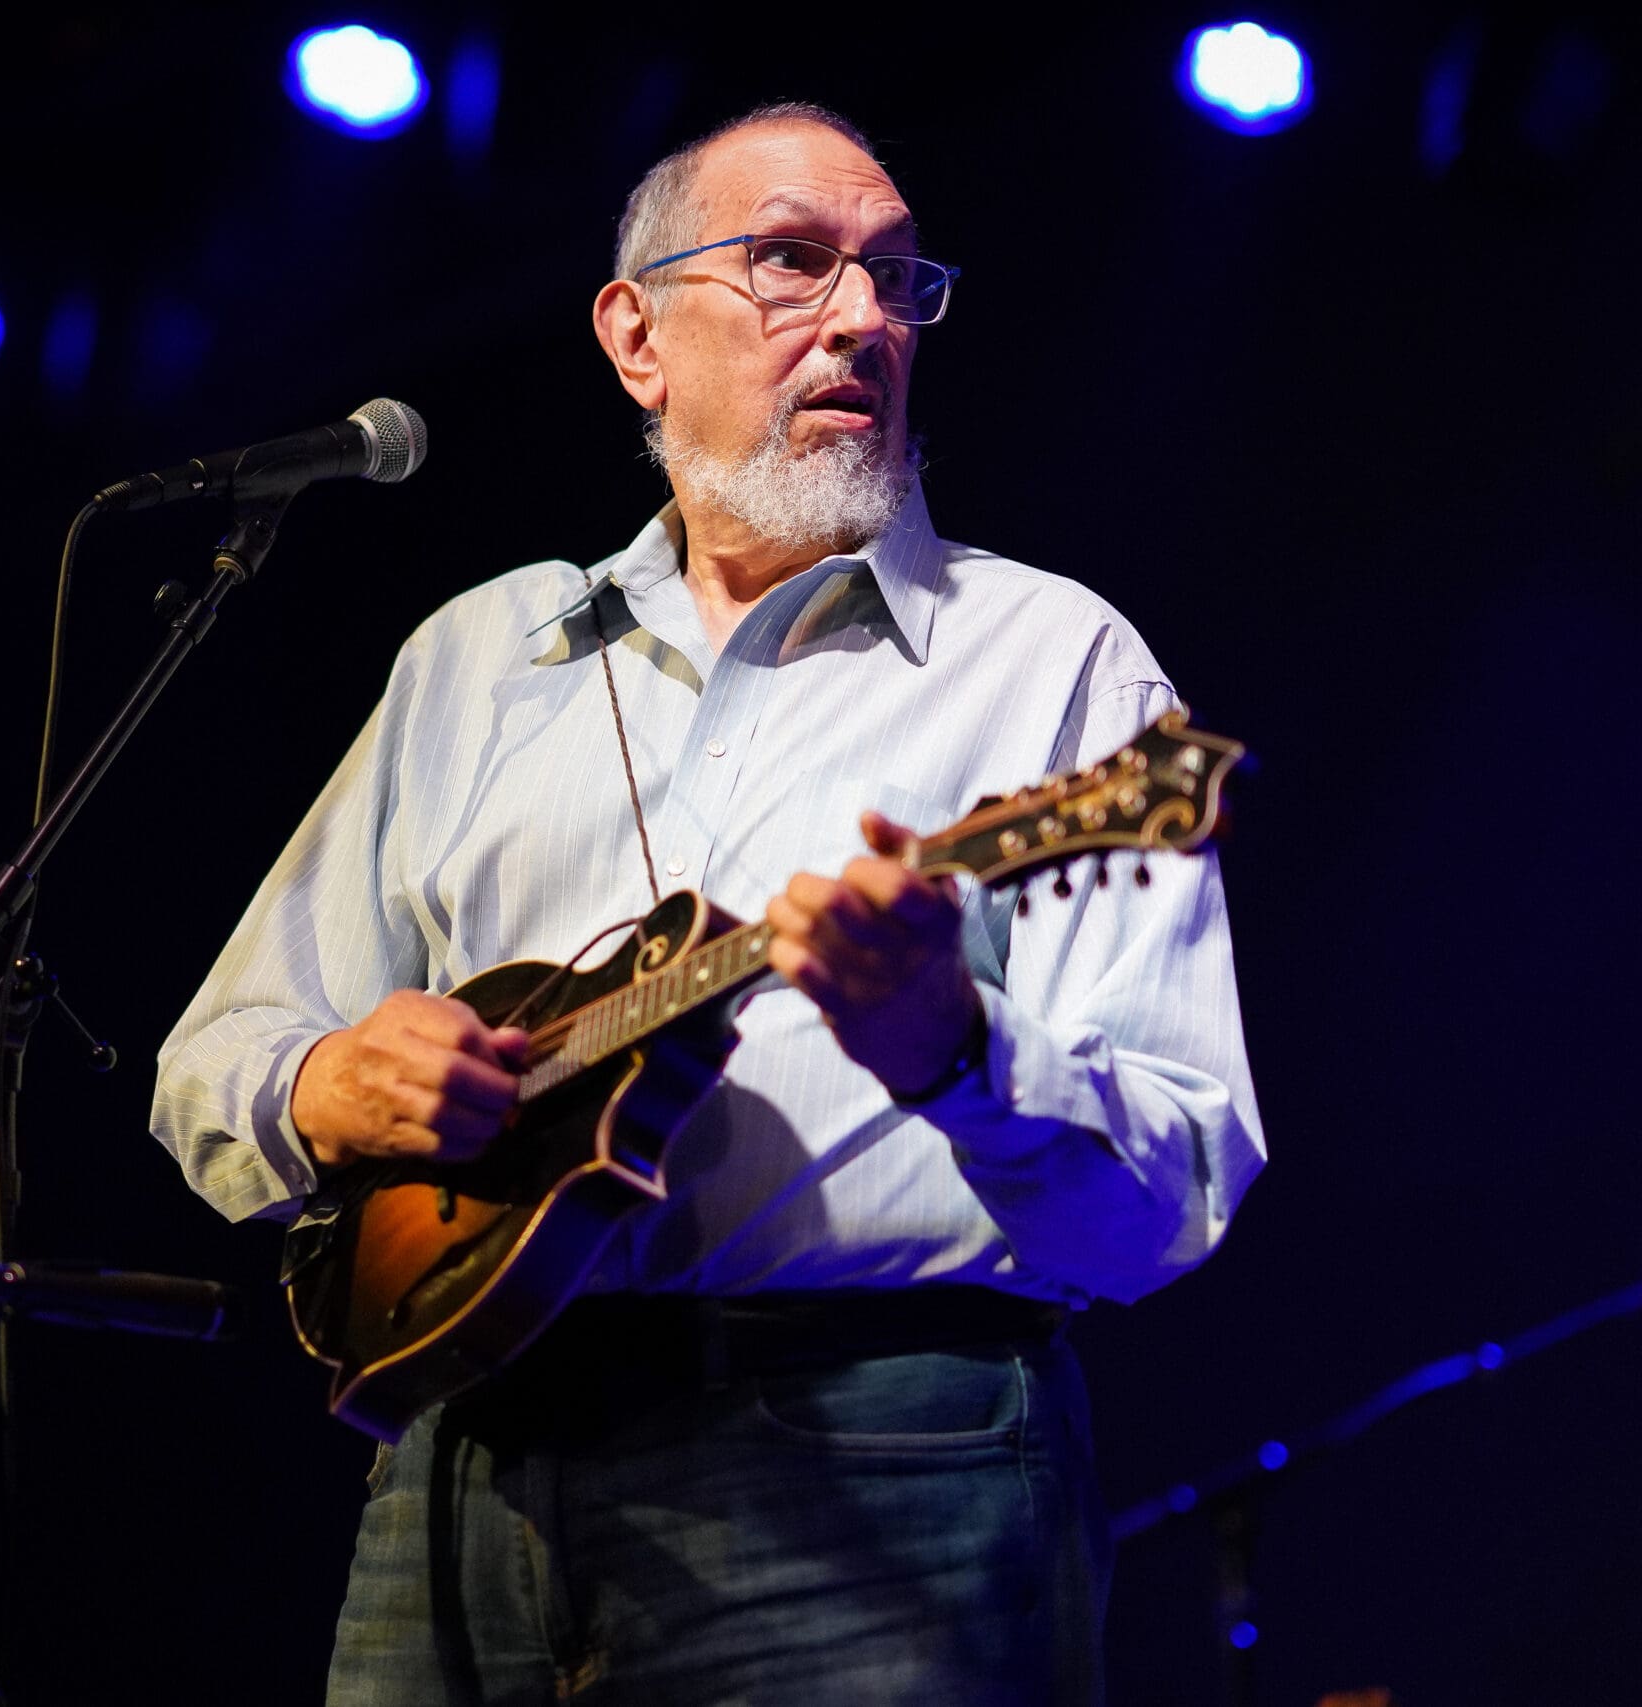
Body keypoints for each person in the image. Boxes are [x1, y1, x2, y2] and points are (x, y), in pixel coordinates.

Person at [151, 100, 1264, 1703]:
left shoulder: (1053, 659)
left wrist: (954, 1043)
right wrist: (326, 1083)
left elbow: (1181, 1180)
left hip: (880, 1452)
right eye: (795, 264)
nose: (866, 320)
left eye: (897, 281)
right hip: (455, 1456)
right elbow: (216, 1056)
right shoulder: (481, 654)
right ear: (636, 335)